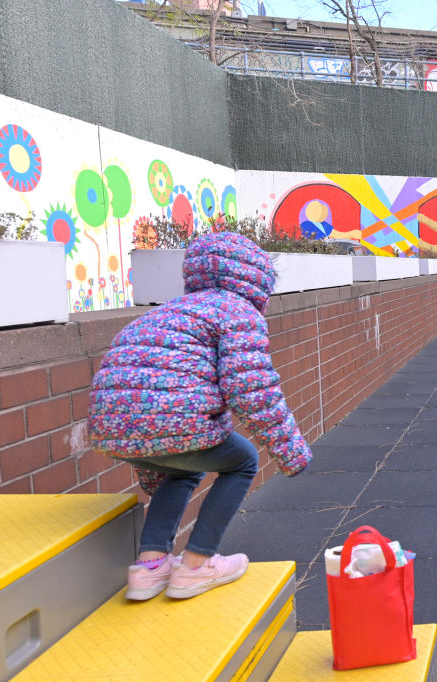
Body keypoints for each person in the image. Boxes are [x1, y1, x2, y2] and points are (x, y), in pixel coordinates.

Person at [88, 232, 312, 601]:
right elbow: (253, 389)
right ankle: (195, 565)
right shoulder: (237, 311)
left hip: (111, 425)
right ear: (256, 280)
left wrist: (150, 470)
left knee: (179, 469)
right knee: (242, 461)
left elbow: (137, 406)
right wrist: (291, 451)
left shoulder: (168, 311)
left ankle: (150, 567)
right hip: (172, 419)